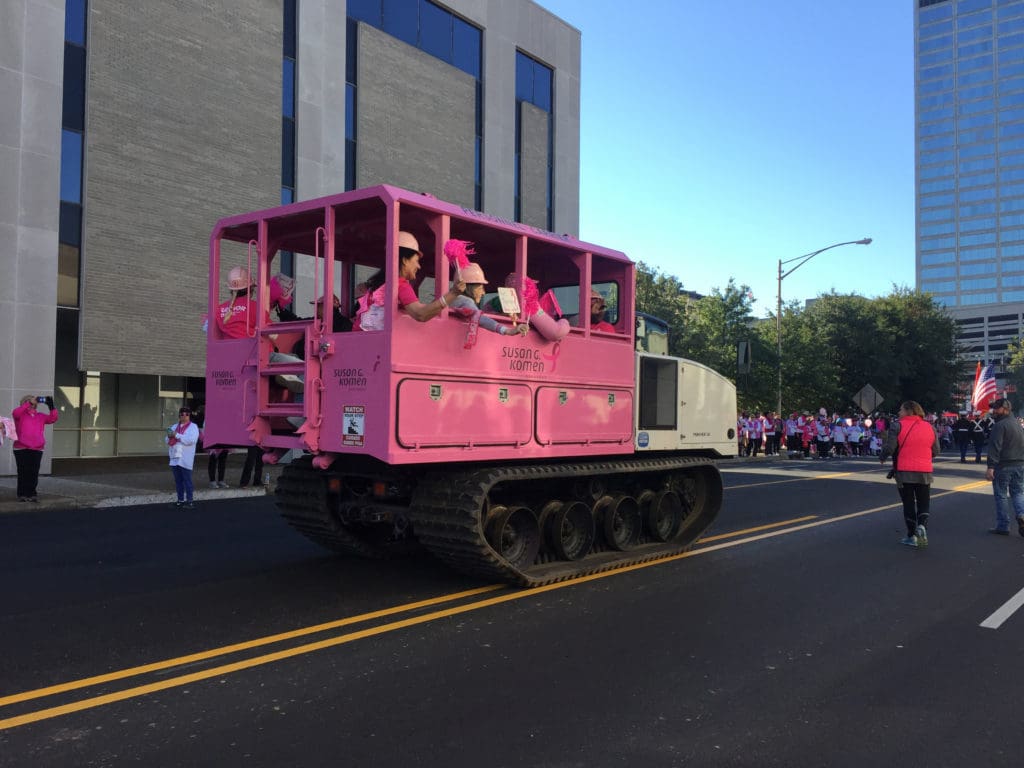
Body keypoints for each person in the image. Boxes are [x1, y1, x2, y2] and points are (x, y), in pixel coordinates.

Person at [880, 400, 941, 548]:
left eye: (901, 410)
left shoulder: (897, 425)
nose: (899, 413)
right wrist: (924, 457)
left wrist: (882, 457)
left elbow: (890, 447)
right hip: (924, 470)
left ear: (909, 411)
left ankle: (911, 535)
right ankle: (922, 526)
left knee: (908, 502)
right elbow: (937, 450)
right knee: (923, 502)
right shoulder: (930, 427)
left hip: (904, 470)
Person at [448, 262, 528, 343]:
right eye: (480, 287)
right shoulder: (465, 300)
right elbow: (478, 317)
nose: (483, 292)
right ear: (468, 287)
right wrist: (508, 330)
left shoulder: (450, 299)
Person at [983, 397, 1024, 537]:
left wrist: (990, 467)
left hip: (1004, 465)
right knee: (1018, 493)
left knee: (1001, 495)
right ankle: (1022, 514)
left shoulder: (1000, 425)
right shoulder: (1017, 424)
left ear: (1005, 409)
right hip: (1020, 464)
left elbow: (995, 447)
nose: (993, 410)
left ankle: (1003, 525)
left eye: (996, 408)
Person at [11, 395, 58, 502]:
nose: (32, 402)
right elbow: (15, 413)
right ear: (24, 403)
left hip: (37, 448)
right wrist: (28, 403)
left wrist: (51, 406)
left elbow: (53, 418)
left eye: (33, 400)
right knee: (23, 471)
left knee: (33, 472)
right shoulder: (20, 415)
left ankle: (32, 494)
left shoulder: (40, 416)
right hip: (21, 447)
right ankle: (22, 494)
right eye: (28, 401)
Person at [166, 406, 200, 507]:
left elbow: (191, 440)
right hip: (174, 458)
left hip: (185, 458)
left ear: (189, 416)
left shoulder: (193, 427)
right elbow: (167, 440)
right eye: (182, 414)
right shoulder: (174, 426)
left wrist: (176, 435)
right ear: (179, 415)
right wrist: (169, 436)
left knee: (187, 480)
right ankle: (180, 500)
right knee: (178, 481)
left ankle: (190, 501)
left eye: (186, 414)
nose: (184, 416)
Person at [216, 267, 257, 339]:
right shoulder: (256, 307)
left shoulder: (219, 309)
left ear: (231, 290)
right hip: (251, 348)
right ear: (251, 289)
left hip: (225, 349)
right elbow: (272, 334)